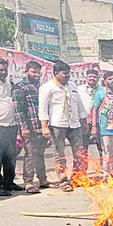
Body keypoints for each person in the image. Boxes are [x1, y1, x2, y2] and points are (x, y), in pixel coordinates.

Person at [39, 61, 88, 192]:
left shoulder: (72, 85)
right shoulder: (47, 87)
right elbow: (43, 108)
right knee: (59, 154)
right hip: (57, 125)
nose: (68, 76)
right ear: (56, 74)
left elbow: (79, 104)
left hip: (74, 124)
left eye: (69, 73)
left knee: (79, 152)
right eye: (64, 73)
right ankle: (63, 180)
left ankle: (78, 178)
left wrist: (84, 120)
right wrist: (44, 126)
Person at [12, 61, 56, 194]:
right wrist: (24, 127)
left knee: (40, 155)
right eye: (33, 72)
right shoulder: (19, 87)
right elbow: (18, 109)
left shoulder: (41, 87)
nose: (37, 75)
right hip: (29, 128)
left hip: (41, 126)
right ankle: (28, 182)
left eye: (38, 72)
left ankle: (43, 180)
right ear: (26, 71)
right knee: (30, 155)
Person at [0, 59, 21, 196]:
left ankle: (9, 182)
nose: (3, 72)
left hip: (11, 125)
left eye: (5, 70)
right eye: (0, 69)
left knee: (10, 156)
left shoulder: (8, 84)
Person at [77, 69, 103, 158]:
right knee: (83, 145)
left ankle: (103, 166)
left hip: (99, 121)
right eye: (90, 76)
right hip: (85, 121)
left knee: (101, 145)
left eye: (95, 77)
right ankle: (83, 168)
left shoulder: (102, 90)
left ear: (98, 78)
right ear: (86, 78)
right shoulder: (79, 89)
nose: (92, 78)